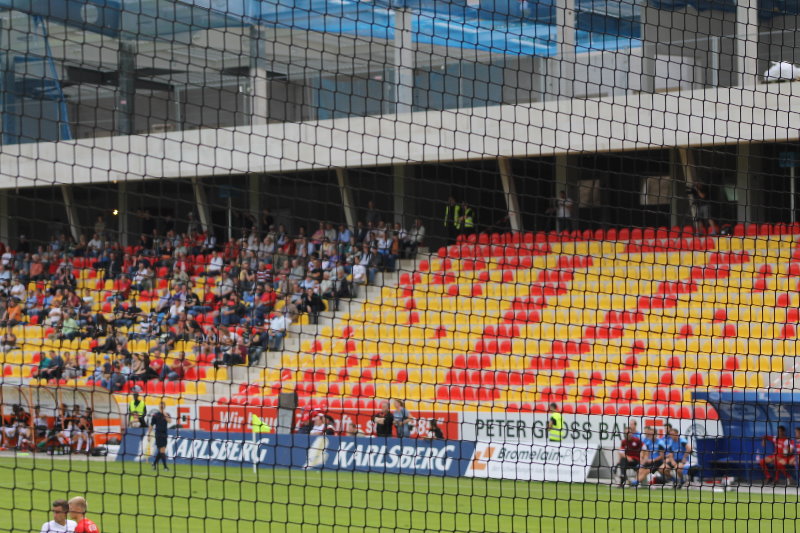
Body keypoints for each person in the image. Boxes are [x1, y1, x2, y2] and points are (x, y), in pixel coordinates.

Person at [150, 402, 171, 471]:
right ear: (159, 406)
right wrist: (149, 434)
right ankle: (165, 467)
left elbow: (169, 421)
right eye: (160, 405)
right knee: (162, 450)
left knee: (161, 451)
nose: (161, 406)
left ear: (164, 406)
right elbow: (151, 425)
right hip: (158, 434)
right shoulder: (155, 415)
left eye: (163, 405)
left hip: (164, 434)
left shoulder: (167, 414)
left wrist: (164, 414)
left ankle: (154, 464)